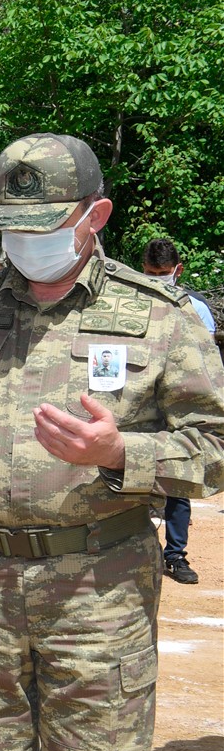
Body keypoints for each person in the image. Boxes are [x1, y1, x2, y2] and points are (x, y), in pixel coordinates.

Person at [0, 133, 224, 751]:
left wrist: (121, 453)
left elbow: (214, 446)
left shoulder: (157, 319)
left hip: (98, 596)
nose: (25, 243)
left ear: (94, 217)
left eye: (43, 228)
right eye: (12, 229)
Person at [139, 238, 219, 586]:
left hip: (177, 406)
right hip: (139, 403)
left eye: (164, 273)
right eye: (151, 273)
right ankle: (137, 553)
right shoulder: (132, 301)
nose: (157, 279)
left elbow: (207, 365)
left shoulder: (196, 309)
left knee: (177, 482)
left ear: (178, 271)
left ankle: (175, 555)